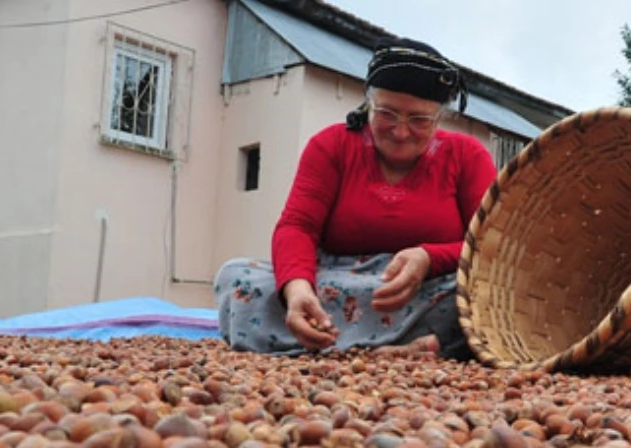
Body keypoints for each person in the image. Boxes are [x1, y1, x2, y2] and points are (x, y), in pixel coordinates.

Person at [213, 38, 498, 359]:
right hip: (335, 279)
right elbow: (297, 227)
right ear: (368, 105)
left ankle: (331, 349)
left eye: (419, 120)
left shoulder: (467, 156)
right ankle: (405, 349)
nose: (401, 132)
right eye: (388, 113)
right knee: (238, 277)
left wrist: (429, 259)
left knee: (480, 298)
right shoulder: (331, 146)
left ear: (439, 118)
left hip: (427, 288)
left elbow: (488, 247)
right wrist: (297, 289)